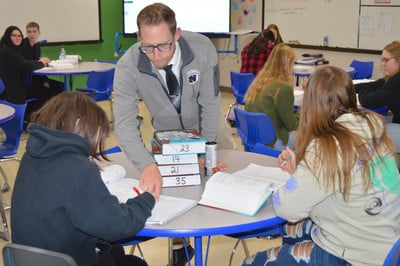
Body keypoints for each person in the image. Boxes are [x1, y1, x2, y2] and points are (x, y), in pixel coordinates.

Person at [244, 66, 400, 266]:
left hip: (353, 256)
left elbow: (288, 209)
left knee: (253, 262)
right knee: (293, 229)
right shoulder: (373, 132)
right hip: (385, 246)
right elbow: (346, 183)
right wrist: (300, 172)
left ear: (312, 106)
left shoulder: (327, 146)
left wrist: (293, 181)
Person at [113, 3, 228, 265]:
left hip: (209, 128)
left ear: (177, 34)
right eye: (148, 47)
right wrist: (147, 165)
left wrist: (204, 150)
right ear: (139, 38)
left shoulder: (202, 49)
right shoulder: (128, 66)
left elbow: (210, 105)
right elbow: (124, 125)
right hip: (166, 132)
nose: (156, 55)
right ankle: (180, 248)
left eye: (163, 45)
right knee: (173, 189)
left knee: (216, 183)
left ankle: (209, 239)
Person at [11, 92, 155, 266]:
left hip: (33, 260)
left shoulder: (31, 156)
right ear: (79, 123)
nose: (101, 138)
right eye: (98, 129)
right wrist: (147, 199)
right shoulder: (78, 168)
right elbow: (117, 225)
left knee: (116, 252)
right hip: (68, 260)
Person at [244, 43, 299, 150]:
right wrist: (303, 111)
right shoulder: (283, 87)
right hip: (272, 143)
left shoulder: (259, 82)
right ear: (289, 62)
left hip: (253, 141)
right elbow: (292, 125)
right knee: (309, 135)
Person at [355, 40, 400, 154]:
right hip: (397, 121)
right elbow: (373, 85)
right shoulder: (392, 77)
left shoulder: (397, 81)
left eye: (386, 60)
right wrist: (348, 86)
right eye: (382, 59)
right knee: (371, 122)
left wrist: (364, 89)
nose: (382, 64)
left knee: (367, 131)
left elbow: (368, 101)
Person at [20, 22, 63, 121]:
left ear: (39, 33)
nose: (31, 34)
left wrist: (45, 80)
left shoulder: (37, 47)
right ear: (26, 33)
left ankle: (54, 116)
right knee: (48, 93)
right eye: (29, 32)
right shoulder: (23, 46)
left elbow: (38, 66)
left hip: (37, 79)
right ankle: (31, 116)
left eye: (34, 31)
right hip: (27, 83)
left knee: (60, 86)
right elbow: (29, 66)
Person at [0, 25, 49, 105]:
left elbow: (26, 63)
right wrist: (41, 63)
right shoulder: (8, 52)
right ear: (8, 36)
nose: (18, 38)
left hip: (15, 86)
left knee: (54, 88)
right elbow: (26, 65)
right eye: (14, 35)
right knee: (51, 92)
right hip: (12, 92)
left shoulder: (10, 49)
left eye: (19, 36)